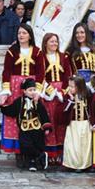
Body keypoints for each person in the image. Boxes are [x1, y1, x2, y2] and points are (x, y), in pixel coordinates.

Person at [0, 24, 43, 155]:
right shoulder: (12, 51)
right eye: (19, 33)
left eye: (24, 33)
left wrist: (37, 90)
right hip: (15, 86)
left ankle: (31, 148)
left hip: (31, 87)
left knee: (31, 114)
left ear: (30, 35)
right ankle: (17, 148)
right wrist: (6, 90)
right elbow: (6, 71)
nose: (21, 36)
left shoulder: (37, 51)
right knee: (16, 114)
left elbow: (41, 72)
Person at [0, 79, 50, 171]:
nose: (33, 92)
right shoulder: (19, 101)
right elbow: (12, 110)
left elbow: (43, 114)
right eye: (30, 90)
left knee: (37, 144)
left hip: (37, 128)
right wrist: (3, 106)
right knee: (25, 145)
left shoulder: (38, 101)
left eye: (34, 90)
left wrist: (46, 127)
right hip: (24, 129)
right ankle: (39, 156)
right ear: (24, 91)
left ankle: (36, 163)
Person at [36, 32, 71, 163]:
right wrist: (51, 91)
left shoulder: (64, 56)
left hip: (61, 93)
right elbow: (40, 76)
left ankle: (61, 153)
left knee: (61, 123)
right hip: (48, 93)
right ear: (45, 43)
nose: (54, 44)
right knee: (50, 122)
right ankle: (50, 153)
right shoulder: (41, 57)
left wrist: (62, 92)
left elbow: (68, 75)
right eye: (51, 41)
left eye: (56, 41)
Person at [62, 76, 92, 172]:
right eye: (69, 86)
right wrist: (70, 100)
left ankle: (83, 165)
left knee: (83, 145)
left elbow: (91, 109)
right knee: (71, 145)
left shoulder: (87, 96)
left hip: (84, 124)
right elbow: (64, 110)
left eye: (72, 86)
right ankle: (71, 164)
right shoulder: (68, 96)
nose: (70, 88)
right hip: (73, 125)